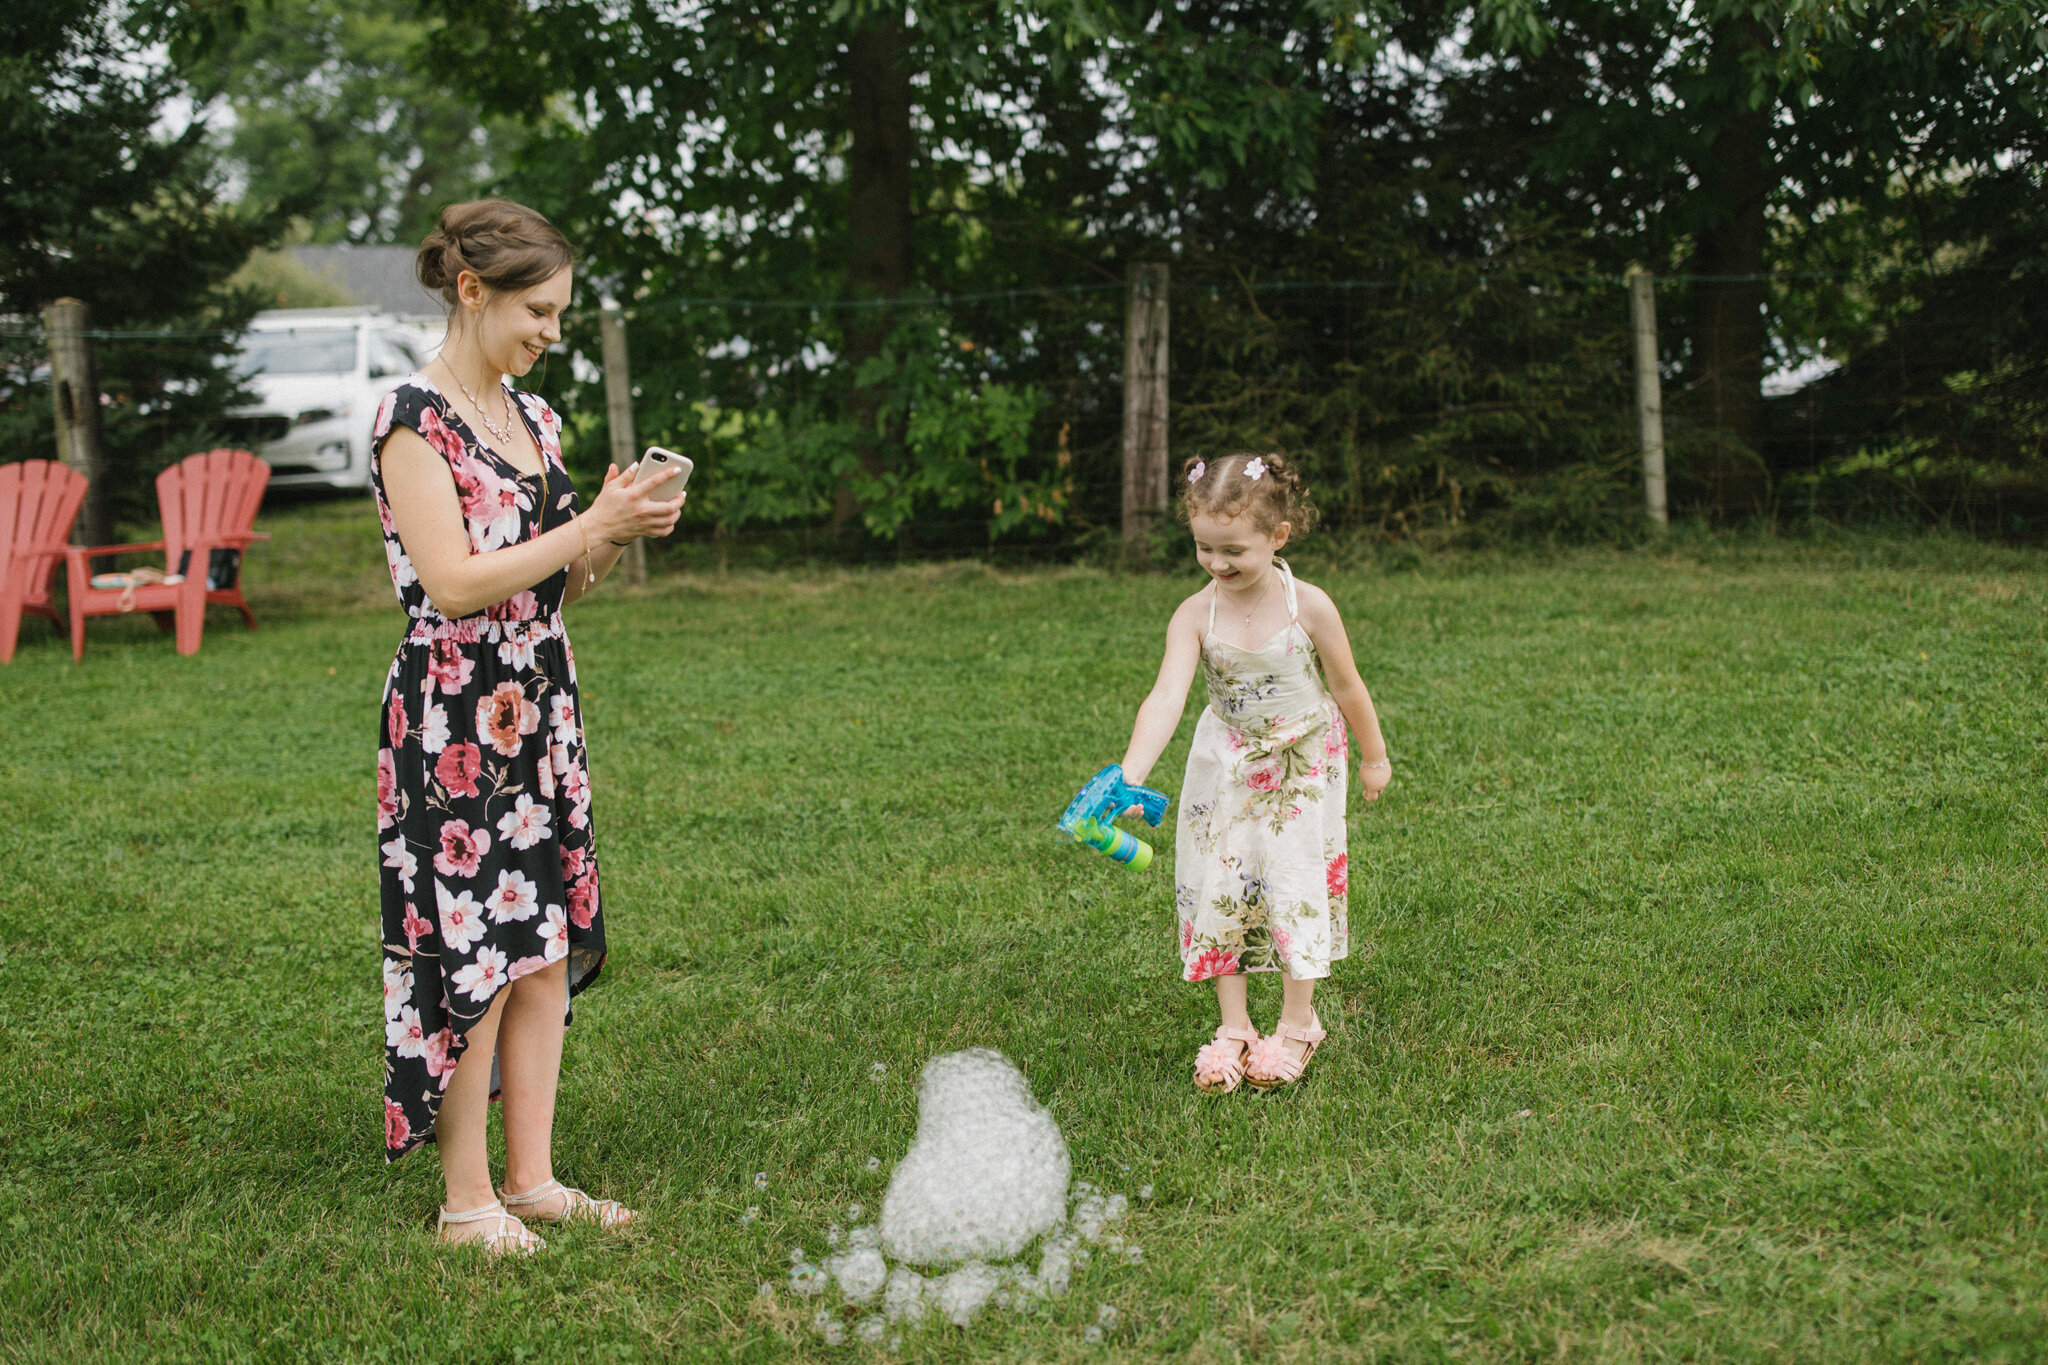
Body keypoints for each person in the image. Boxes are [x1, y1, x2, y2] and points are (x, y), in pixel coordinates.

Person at [373, 199, 683, 1252]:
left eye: (559, 313)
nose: (552, 329)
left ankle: (534, 1179)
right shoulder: (412, 419)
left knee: (542, 947)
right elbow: (454, 584)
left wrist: (607, 533)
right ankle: (467, 1203)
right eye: (537, 310)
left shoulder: (535, 420)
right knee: (477, 957)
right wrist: (585, 528)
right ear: (473, 291)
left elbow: (557, 587)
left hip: (538, 703)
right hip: (452, 717)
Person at [1114, 453, 1392, 1093]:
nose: (1217, 564)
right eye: (1204, 549)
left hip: (1300, 761)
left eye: (1233, 549)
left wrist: (1374, 757)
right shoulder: (1194, 614)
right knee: (1221, 885)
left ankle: (1298, 1023)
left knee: (1293, 882)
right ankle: (1234, 1027)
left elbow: (1348, 686)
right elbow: (1165, 698)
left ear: (1278, 537)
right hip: (1227, 763)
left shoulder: (1311, 606)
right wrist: (1131, 774)